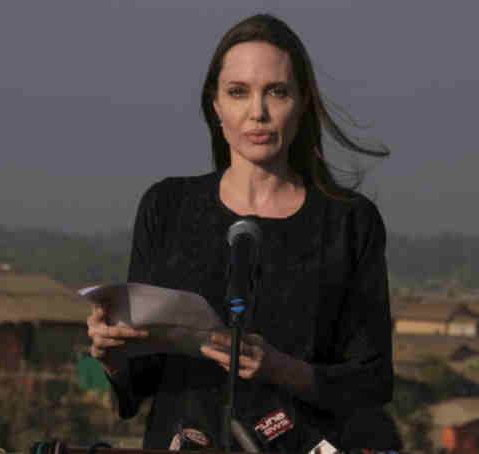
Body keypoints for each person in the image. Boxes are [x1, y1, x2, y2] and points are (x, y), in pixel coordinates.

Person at [87, 14, 397, 452]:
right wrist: (113, 356)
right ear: (214, 105)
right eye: (238, 92)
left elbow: (372, 382)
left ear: (303, 102)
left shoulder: (349, 221)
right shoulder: (168, 206)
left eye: (277, 91)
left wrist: (279, 367)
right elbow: (143, 382)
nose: (258, 112)